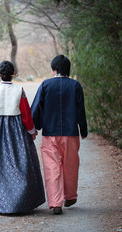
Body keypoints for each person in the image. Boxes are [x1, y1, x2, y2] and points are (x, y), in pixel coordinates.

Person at [0, 61, 46, 214]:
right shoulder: (19, 90)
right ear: (13, 74)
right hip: (16, 130)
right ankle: (20, 202)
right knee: (20, 164)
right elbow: (25, 113)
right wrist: (31, 131)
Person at [31, 54, 88, 215]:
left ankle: (56, 203)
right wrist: (83, 130)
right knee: (71, 165)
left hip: (50, 134)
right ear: (68, 70)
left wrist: (35, 128)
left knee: (52, 167)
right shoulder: (76, 85)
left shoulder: (45, 85)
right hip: (71, 133)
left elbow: (36, 109)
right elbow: (80, 111)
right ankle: (70, 196)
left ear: (53, 69)